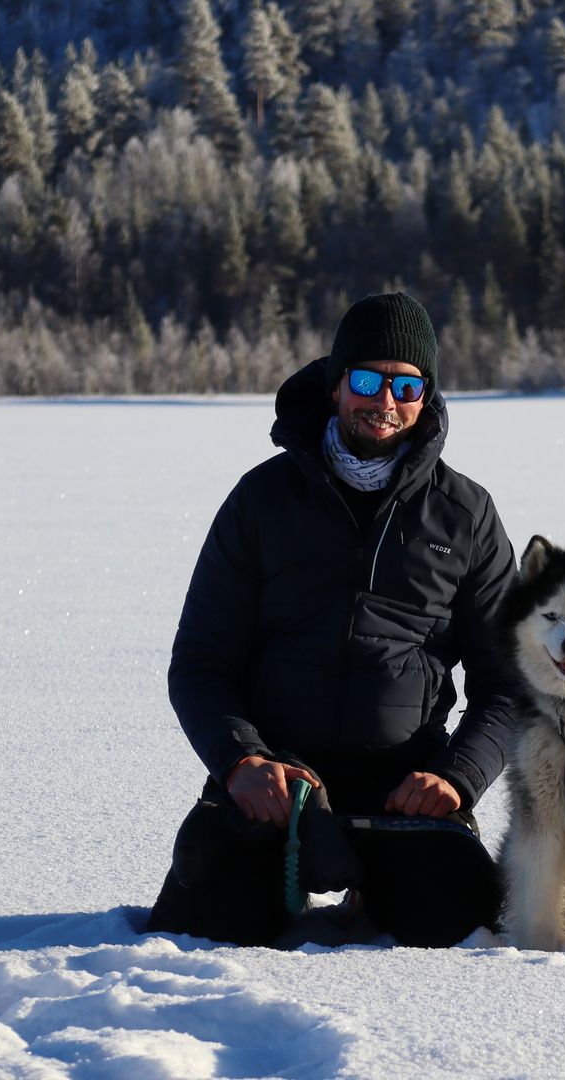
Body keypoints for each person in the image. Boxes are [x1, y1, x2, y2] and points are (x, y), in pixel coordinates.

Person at [147, 292, 518, 947]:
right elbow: (202, 659)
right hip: (277, 782)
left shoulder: (465, 515)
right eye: (368, 380)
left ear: (426, 394)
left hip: (404, 789)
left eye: (406, 384)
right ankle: (278, 871)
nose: (385, 401)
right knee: (203, 923)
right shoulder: (263, 499)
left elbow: (509, 679)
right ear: (336, 383)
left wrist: (456, 778)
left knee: (458, 923)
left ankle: (379, 883)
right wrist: (240, 761)